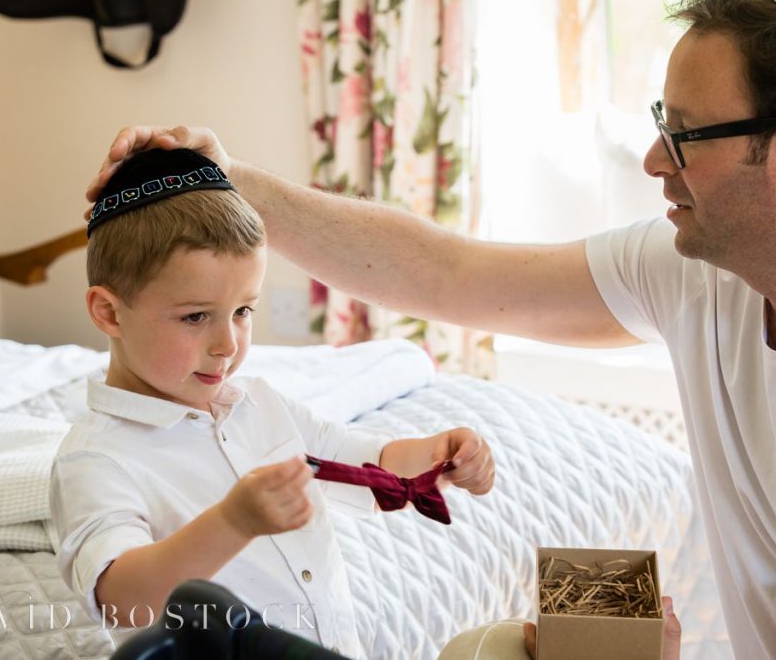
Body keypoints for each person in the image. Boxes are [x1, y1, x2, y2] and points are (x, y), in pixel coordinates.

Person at [86, 0, 776, 658]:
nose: (651, 160)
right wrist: (229, 179)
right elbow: (453, 273)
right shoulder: (694, 271)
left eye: (683, 136)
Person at [52, 147, 496, 658]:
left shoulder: (256, 403)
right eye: (196, 316)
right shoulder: (97, 459)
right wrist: (233, 523)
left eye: (243, 311)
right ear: (109, 312)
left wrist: (440, 453)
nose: (228, 344)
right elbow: (124, 602)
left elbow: (360, 463)